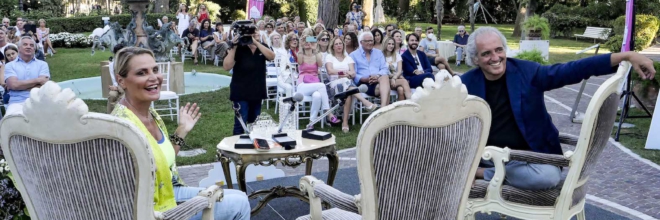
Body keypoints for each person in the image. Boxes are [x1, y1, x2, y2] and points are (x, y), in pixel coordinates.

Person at [462, 27, 656, 190]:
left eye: (498, 50)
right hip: (490, 157)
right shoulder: (465, 84)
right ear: (475, 59)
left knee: (547, 178)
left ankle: (484, 175)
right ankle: (488, 171)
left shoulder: (528, 73)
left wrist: (626, 55)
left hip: (534, 158)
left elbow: (572, 70)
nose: (495, 58)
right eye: (486, 53)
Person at [111, 47, 251, 219]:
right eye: (142, 73)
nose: (154, 77)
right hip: (154, 208)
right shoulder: (123, 126)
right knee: (240, 204)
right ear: (122, 81)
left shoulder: (150, 114)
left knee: (240, 196)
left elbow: (163, 159)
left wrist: (182, 130)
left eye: (155, 70)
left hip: (171, 189)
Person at [223, 30, 275, 135]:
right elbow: (226, 66)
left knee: (254, 123)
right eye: (250, 34)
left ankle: (253, 145)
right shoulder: (239, 46)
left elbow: (271, 57)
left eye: (255, 33)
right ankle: (236, 147)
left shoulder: (262, 46)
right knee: (240, 122)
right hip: (240, 90)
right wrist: (234, 46)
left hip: (257, 90)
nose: (253, 35)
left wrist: (256, 43)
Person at [326, 36, 379, 132]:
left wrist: (345, 74)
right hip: (334, 84)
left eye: (340, 43)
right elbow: (330, 71)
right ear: (333, 46)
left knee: (348, 91)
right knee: (347, 84)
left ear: (343, 45)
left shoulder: (348, 58)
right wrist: (344, 73)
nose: (339, 46)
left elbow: (353, 73)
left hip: (347, 83)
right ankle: (365, 102)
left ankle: (345, 122)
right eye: (336, 44)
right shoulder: (330, 57)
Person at [296, 34, 341, 128]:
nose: (308, 43)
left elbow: (320, 65)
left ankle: (311, 123)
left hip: (314, 84)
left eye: (310, 41)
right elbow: (299, 62)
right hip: (303, 84)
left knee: (317, 96)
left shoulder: (317, 54)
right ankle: (329, 113)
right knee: (322, 85)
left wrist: (315, 48)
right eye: (306, 41)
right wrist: (301, 45)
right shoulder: (300, 54)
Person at [4, 37, 50, 115]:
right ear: (19, 48)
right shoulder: (10, 65)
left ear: (34, 49)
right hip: (17, 102)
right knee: (11, 121)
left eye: (31, 45)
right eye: (25, 44)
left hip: (39, 100)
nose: (29, 47)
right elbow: (14, 85)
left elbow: (44, 85)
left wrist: (20, 86)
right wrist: (38, 80)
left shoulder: (42, 64)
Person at [350, 32, 392, 107]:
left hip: (379, 80)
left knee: (385, 77)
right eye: (367, 41)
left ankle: (382, 108)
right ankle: (384, 110)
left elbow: (384, 68)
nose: (370, 43)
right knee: (387, 88)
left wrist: (377, 76)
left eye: (371, 41)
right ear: (361, 42)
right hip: (364, 83)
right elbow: (354, 74)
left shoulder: (378, 53)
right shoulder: (353, 55)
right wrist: (364, 79)